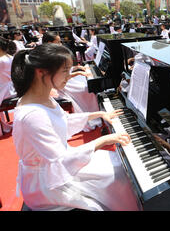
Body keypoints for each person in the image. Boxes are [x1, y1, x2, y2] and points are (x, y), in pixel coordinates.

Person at [11, 44, 139, 211]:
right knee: (119, 176)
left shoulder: (41, 96)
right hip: (48, 183)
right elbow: (61, 160)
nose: (69, 76)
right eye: (65, 71)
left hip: (55, 167)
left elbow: (64, 121)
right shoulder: (32, 116)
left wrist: (99, 115)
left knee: (119, 166)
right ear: (41, 71)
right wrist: (104, 140)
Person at [0, 37, 16, 134]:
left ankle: (3, 127)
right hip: (13, 88)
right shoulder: (11, 57)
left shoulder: (1, 60)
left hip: (5, 90)